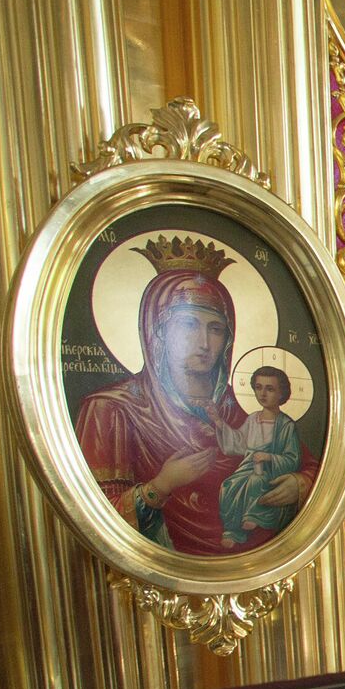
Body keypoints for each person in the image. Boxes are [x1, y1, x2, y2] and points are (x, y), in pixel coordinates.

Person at [74, 236, 315, 555]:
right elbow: (89, 520)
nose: (203, 342)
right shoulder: (111, 409)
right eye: (188, 324)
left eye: (215, 329)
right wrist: (161, 486)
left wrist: (298, 485)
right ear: (157, 329)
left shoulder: (245, 407)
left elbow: (310, 467)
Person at [212, 365, 309, 548]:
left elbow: (292, 458)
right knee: (228, 486)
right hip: (248, 465)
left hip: (271, 469)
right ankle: (232, 530)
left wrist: (269, 457)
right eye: (258, 387)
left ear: (281, 393)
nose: (263, 394)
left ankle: (254, 516)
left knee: (255, 482)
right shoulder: (252, 419)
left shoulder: (286, 425)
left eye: (270, 389)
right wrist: (219, 422)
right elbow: (239, 443)